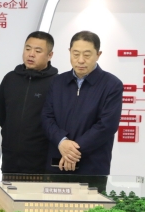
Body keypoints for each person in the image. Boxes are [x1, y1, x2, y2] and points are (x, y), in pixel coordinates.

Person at [42, 31, 122, 175]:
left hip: (92, 167)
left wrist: (72, 152)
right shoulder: (57, 82)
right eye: (75, 54)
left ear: (98, 54)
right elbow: (47, 117)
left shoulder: (112, 85)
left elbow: (106, 125)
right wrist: (62, 141)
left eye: (87, 55)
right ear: (69, 52)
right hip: (57, 163)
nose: (80, 60)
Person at [0, 31, 58, 174]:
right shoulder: (10, 79)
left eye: (38, 51)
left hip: (41, 163)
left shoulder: (57, 83)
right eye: (28, 48)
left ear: (50, 55)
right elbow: (3, 115)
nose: (31, 54)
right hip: (10, 161)